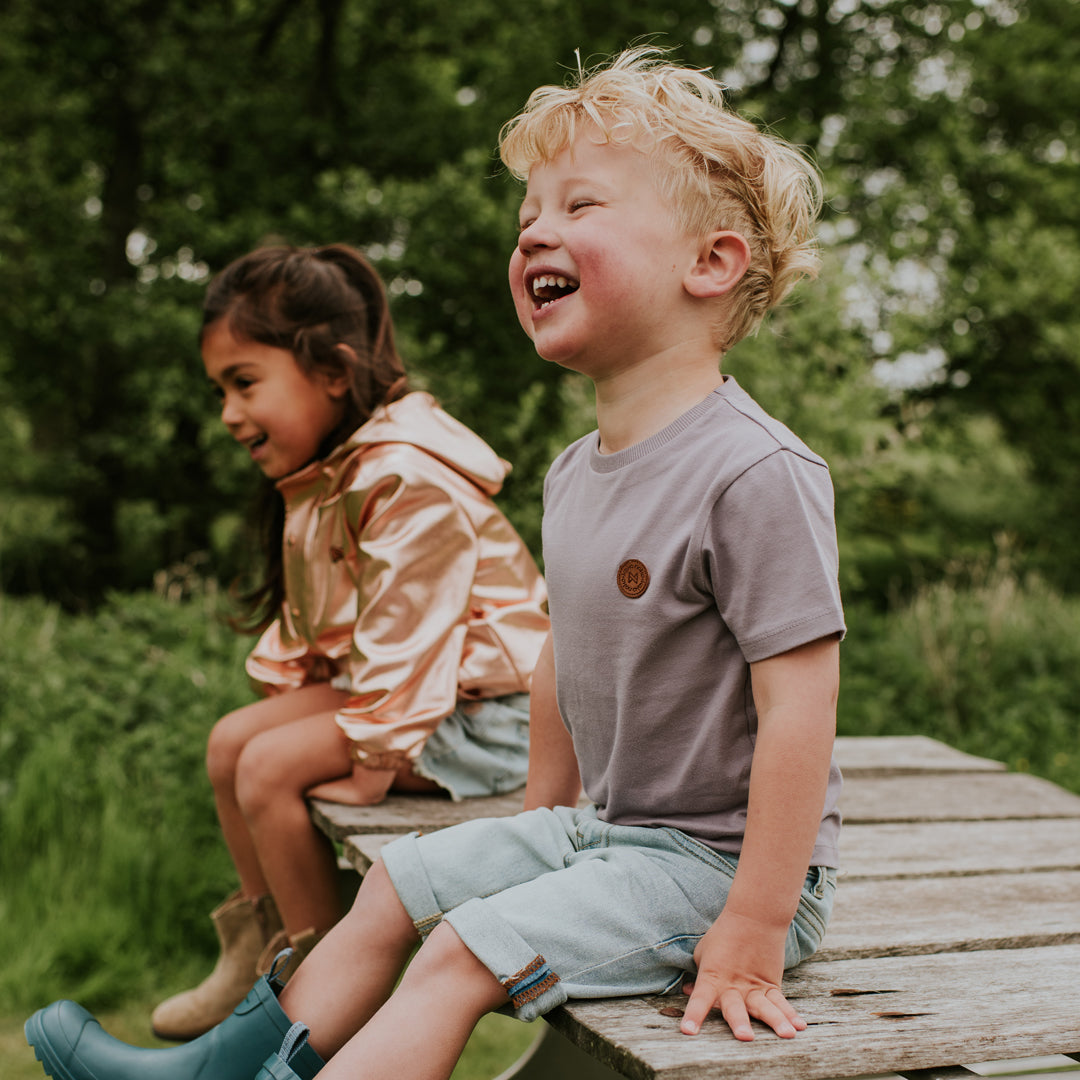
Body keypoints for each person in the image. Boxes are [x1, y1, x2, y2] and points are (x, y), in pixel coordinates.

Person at [24, 48, 845, 1080]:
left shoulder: (754, 471)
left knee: (461, 953)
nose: (537, 229)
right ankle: (216, 1070)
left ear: (710, 263)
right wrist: (546, 816)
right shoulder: (576, 474)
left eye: (581, 204)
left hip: (721, 872)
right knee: (399, 881)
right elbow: (561, 652)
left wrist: (757, 922)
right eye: (527, 217)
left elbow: (801, 708)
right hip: (613, 833)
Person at [148, 244, 550, 1041]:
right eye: (220, 389)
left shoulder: (404, 474)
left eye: (244, 383)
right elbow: (324, 625)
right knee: (232, 741)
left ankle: (311, 1007)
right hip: (423, 701)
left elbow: (415, 631)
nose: (228, 413)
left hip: (492, 714)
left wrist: (369, 761)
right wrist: (299, 697)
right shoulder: (328, 477)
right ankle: (260, 957)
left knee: (267, 766)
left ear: (332, 372)